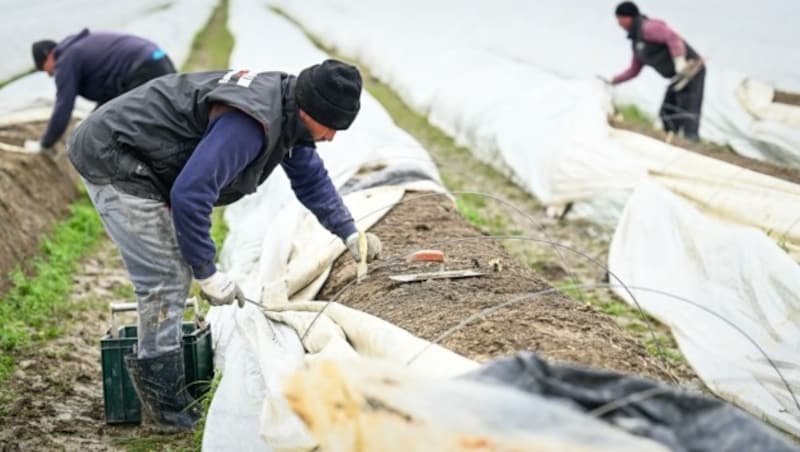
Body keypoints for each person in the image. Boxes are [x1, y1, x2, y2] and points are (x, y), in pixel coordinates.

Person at [67, 59, 382, 431]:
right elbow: (190, 194)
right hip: (115, 156)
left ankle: (166, 390)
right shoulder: (249, 124)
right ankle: (163, 408)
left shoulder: (289, 109)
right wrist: (208, 271)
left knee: (172, 268)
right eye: (329, 126)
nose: (331, 137)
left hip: (145, 157)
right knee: (166, 276)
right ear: (308, 109)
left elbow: (311, 181)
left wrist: (348, 232)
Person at [27, 29, 176, 152]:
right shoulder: (79, 48)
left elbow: (63, 106)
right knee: (172, 118)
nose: (48, 74)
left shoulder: (65, 61)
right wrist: (89, 120)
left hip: (143, 70)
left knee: (144, 133)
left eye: (43, 68)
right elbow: (110, 96)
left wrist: (45, 144)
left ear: (48, 56)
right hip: (159, 60)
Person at [604, 2, 706, 141]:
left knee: (688, 105)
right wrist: (614, 80)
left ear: (629, 17)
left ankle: (691, 139)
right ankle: (672, 137)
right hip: (678, 76)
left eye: (620, 18)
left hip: (691, 69)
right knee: (667, 111)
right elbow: (634, 69)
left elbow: (672, 37)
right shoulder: (637, 42)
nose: (618, 23)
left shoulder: (649, 27)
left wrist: (679, 60)